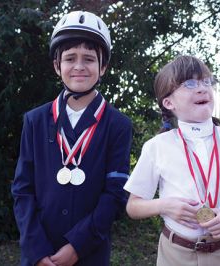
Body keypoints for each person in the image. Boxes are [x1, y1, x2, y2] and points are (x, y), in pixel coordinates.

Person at [124, 55, 220, 266]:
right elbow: (133, 206)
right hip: (174, 255)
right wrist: (165, 205)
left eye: (206, 82)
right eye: (189, 84)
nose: (202, 88)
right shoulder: (157, 146)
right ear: (168, 102)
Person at [11, 11, 132, 266]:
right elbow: (23, 190)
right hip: (39, 252)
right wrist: (36, 249)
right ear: (57, 65)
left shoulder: (118, 125)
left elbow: (115, 194)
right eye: (70, 58)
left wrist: (77, 246)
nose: (79, 66)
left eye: (89, 58)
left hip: (90, 253)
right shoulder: (35, 120)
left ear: (103, 66)